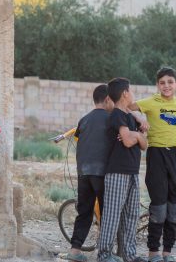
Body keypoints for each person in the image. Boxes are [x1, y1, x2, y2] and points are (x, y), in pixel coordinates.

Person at [128, 66, 176, 262]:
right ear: (157, 85)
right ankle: (153, 252)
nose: (166, 86)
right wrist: (139, 118)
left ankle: (168, 253)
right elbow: (127, 108)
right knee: (159, 206)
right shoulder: (150, 102)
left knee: (174, 206)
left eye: (170, 82)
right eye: (162, 83)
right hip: (156, 154)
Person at [97, 78, 148, 262]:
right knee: (112, 215)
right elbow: (128, 141)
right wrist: (136, 135)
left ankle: (129, 255)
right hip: (117, 172)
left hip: (133, 172)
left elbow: (144, 144)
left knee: (131, 215)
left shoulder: (128, 116)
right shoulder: (117, 115)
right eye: (131, 90)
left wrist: (135, 132)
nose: (132, 93)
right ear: (125, 93)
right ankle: (104, 255)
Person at [66, 84, 114, 262]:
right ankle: (105, 253)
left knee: (84, 212)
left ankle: (74, 250)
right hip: (102, 172)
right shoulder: (111, 119)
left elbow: (79, 138)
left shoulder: (84, 119)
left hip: (83, 172)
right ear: (108, 99)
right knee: (107, 212)